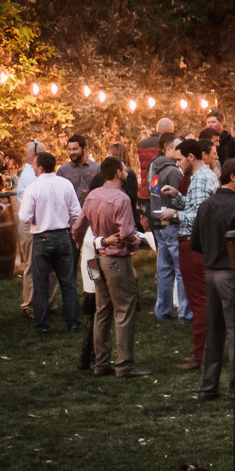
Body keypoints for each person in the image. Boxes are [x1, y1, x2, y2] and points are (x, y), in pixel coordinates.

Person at [192, 158, 235, 406]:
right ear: (232, 177)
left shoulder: (206, 205)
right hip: (232, 273)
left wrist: (213, 251)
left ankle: (208, 387)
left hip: (210, 273)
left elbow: (194, 242)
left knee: (214, 332)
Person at [72, 157, 150, 378]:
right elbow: (126, 234)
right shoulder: (121, 198)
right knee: (124, 310)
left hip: (98, 258)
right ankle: (124, 365)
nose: (126, 171)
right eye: (124, 168)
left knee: (102, 311)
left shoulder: (93, 195)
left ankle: (101, 363)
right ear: (117, 172)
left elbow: (77, 228)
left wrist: (88, 244)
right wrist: (136, 244)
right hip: (117, 260)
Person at [157, 138, 217, 371]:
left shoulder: (200, 178)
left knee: (199, 302)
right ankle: (202, 352)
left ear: (192, 157)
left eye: (180, 159)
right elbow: (194, 206)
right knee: (200, 301)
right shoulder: (201, 177)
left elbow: (200, 216)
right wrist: (177, 196)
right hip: (194, 245)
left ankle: (201, 356)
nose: (178, 164)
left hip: (193, 245)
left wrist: (174, 214)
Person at [17, 151, 82, 334]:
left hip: (42, 238)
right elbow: (76, 212)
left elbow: (24, 216)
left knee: (41, 283)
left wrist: (37, 218)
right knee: (68, 282)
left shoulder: (33, 188)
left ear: (40, 167)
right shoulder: (66, 185)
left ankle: (42, 325)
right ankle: (73, 322)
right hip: (62, 235)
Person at [148, 134, 191, 321]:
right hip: (171, 222)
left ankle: (163, 310)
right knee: (180, 268)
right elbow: (179, 198)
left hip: (157, 221)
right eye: (179, 148)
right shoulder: (173, 171)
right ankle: (184, 312)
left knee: (165, 268)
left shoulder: (154, 167)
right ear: (169, 148)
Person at [15, 139, 48, 319]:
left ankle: (46, 302)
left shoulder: (34, 173)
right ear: (34, 156)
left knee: (42, 263)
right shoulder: (31, 176)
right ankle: (29, 304)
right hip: (31, 224)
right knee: (30, 264)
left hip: (39, 221)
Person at [136, 118, 175, 214]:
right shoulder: (168, 145)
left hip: (146, 189)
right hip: (160, 191)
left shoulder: (142, 144)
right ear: (170, 131)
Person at [58, 135, 101, 203]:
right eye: (69, 149)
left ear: (84, 148)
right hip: (70, 212)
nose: (71, 152)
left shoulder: (96, 168)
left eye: (75, 149)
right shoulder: (63, 171)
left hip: (92, 210)